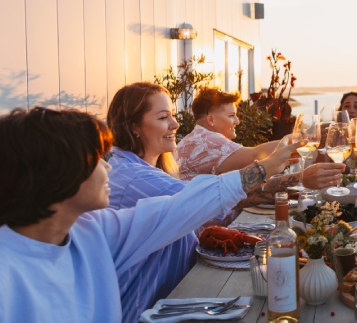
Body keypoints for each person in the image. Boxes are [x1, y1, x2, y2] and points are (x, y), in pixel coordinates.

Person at [0, 107, 298, 322]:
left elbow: (178, 210)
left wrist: (261, 169)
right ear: (54, 174)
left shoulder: (91, 232)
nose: (108, 166)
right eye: (95, 157)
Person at [105, 82, 308, 323]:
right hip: (143, 310)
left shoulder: (148, 167)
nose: (175, 124)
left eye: (172, 115)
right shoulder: (134, 178)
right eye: (163, 117)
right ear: (134, 127)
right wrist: (271, 169)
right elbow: (204, 198)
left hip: (176, 299)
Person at [177, 87, 345, 206]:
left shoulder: (193, 139)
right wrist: (308, 139)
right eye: (231, 116)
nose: (237, 121)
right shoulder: (206, 141)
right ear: (211, 120)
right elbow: (255, 156)